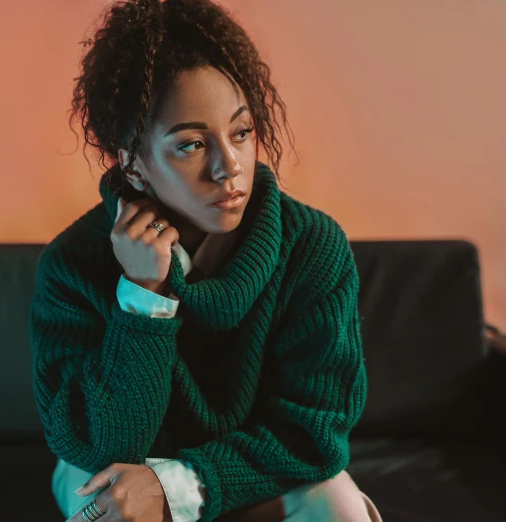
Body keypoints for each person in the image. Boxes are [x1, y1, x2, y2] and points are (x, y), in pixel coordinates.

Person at [29, 0, 383, 520]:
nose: (228, 167)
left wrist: (176, 486)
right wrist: (142, 296)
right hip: (120, 471)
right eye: (192, 144)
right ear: (132, 160)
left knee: (339, 507)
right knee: (106, 509)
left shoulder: (313, 248)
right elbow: (96, 446)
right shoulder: (72, 265)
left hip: (251, 471)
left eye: (240, 133)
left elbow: (314, 437)